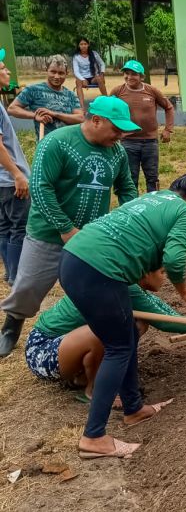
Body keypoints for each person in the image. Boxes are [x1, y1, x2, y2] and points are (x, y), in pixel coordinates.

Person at [60, 166, 186, 459]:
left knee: (127, 337)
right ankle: (93, 438)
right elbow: (173, 256)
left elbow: (173, 235)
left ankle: (134, 409)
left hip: (76, 258)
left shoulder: (156, 197)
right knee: (119, 346)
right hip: (100, 270)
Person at [0, 96, 139, 357]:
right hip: (49, 233)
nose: (120, 135)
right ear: (96, 120)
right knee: (29, 285)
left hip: (91, 236)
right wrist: (65, 229)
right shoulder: (57, 143)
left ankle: (87, 333)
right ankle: (12, 324)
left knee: (94, 288)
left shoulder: (116, 152)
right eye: (116, 129)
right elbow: (40, 189)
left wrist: (132, 219)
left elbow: (126, 188)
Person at [26, 267, 186, 403]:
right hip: (43, 350)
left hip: (64, 347)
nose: (164, 276)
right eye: (161, 272)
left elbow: (164, 312)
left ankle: (83, 375)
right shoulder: (125, 287)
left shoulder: (129, 283)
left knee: (136, 324)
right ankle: (96, 391)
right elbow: (165, 322)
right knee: (101, 333)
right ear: (146, 273)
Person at [111, 59, 175, 193]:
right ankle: (131, 207)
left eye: (133, 74)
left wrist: (168, 129)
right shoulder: (117, 92)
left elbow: (169, 107)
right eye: (126, 73)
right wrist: (112, 133)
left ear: (141, 77)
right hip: (128, 141)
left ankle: (152, 206)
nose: (129, 77)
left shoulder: (151, 91)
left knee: (152, 177)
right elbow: (108, 111)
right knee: (130, 177)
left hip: (150, 142)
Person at [0, 48, 30, 289]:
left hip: (2, 180)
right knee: (19, 227)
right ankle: (16, 277)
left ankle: (10, 272)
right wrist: (17, 174)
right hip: (9, 180)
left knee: (5, 227)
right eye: (2, 68)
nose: (7, 71)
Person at [8, 54, 83, 140]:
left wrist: (54, 114)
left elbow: (80, 118)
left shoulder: (71, 95)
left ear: (67, 73)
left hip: (68, 142)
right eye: (53, 72)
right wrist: (34, 116)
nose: (57, 76)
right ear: (46, 70)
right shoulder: (33, 90)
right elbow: (12, 108)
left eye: (61, 73)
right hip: (46, 143)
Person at [73, 38, 107, 110]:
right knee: (77, 81)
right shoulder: (76, 57)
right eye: (81, 44)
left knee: (99, 78)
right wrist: (82, 79)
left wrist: (102, 74)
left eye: (85, 44)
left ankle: (107, 101)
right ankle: (82, 107)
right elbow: (76, 72)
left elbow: (102, 64)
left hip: (93, 77)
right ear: (79, 46)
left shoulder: (94, 54)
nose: (83, 46)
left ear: (88, 45)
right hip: (83, 77)